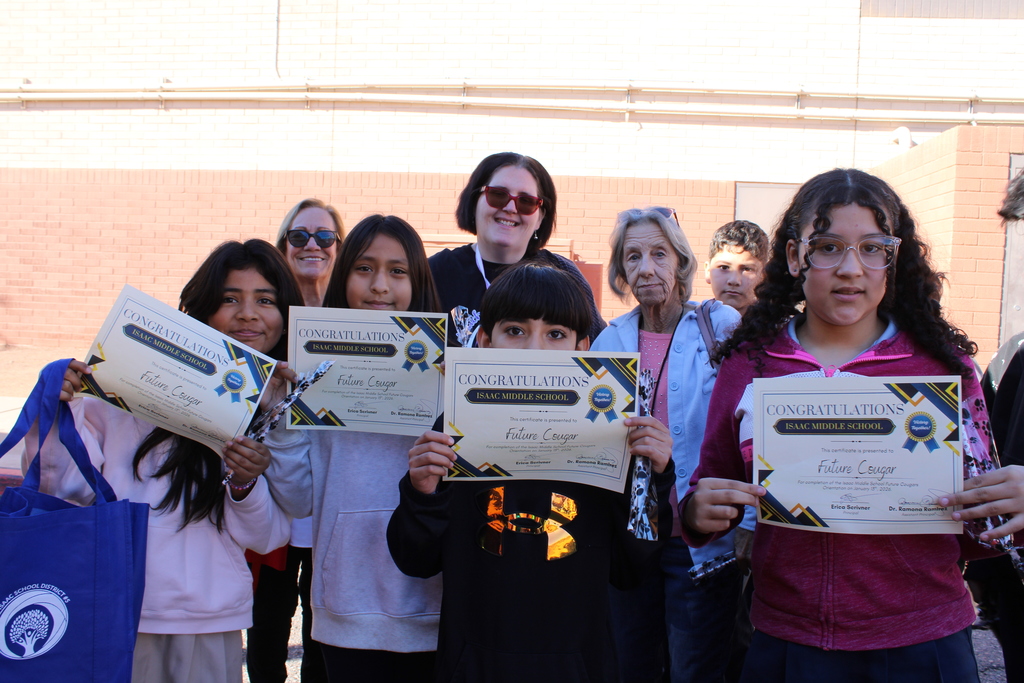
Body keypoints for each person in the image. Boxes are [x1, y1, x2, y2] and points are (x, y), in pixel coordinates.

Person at [680, 168, 1024, 682]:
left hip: (925, 641)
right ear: (795, 257)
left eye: (872, 248)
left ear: (894, 257)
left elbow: (980, 530)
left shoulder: (942, 369)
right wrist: (696, 511)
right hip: (788, 641)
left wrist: (1010, 504)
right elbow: (711, 490)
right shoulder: (749, 364)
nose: (851, 268)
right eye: (829, 247)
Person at [386, 261, 675, 683]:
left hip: (578, 665)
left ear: (583, 346)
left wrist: (653, 476)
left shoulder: (612, 437)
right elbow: (415, 560)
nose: (534, 349)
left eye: (555, 334)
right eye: (515, 331)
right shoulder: (452, 434)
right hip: (474, 665)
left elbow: (631, 569)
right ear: (485, 341)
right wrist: (422, 492)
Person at [25, 239, 299, 683]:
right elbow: (62, 489)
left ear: (284, 315)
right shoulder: (119, 393)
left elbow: (268, 537)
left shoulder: (274, 409)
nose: (248, 313)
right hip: (119, 613)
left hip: (211, 622)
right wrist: (55, 411)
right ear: (204, 308)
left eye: (265, 300)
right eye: (230, 298)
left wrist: (245, 482)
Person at [263, 215, 444, 683]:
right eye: (364, 268)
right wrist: (282, 422)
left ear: (417, 281)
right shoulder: (313, 369)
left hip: (434, 607)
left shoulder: (449, 371)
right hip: (345, 606)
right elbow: (298, 499)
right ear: (343, 277)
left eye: (397, 271)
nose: (380, 285)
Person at [593, 207, 742, 682]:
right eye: (632, 256)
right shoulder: (609, 340)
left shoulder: (718, 328)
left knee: (694, 668)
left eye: (659, 254)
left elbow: (745, 425)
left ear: (681, 262)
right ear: (620, 271)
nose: (646, 268)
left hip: (697, 540)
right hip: (632, 536)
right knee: (630, 663)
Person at [248, 198, 344, 683]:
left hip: (330, 492)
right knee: (267, 619)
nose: (313, 245)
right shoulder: (266, 315)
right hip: (274, 494)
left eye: (325, 237)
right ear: (283, 244)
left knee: (320, 626)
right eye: (300, 236)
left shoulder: (357, 317)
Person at [429, 152, 605, 344]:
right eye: (497, 195)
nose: (511, 208)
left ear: (540, 218)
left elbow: (599, 351)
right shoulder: (434, 273)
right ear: (474, 203)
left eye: (526, 202)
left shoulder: (564, 274)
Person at [705, 220, 769, 317]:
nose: (734, 280)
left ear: (763, 275)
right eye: (724, 267)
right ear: (708, 271)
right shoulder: (687, 326)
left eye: (747, 269)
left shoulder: (778, 329)